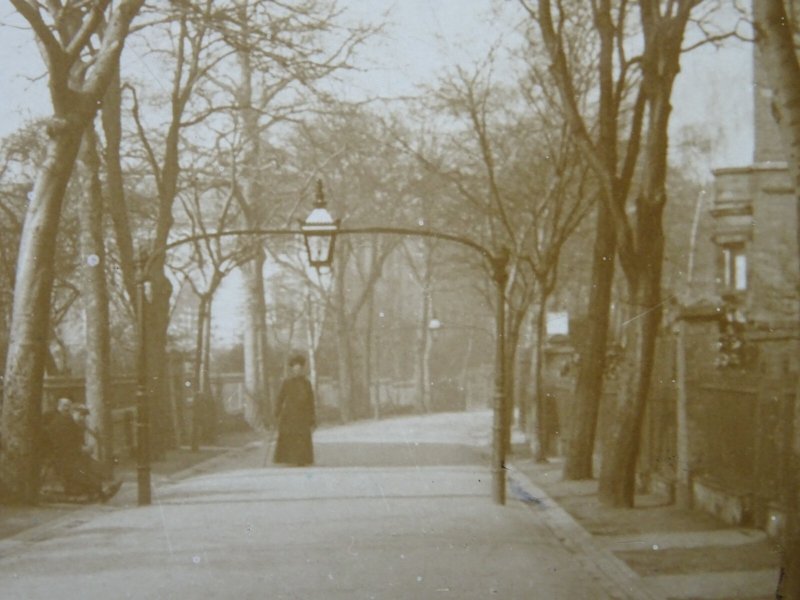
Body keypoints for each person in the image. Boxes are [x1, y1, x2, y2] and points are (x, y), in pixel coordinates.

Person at [45, 398, 121, 502]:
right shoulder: (63, 424)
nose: (82, 418)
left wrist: (83, 448)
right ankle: (98, 491)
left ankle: (100, 490)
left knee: (94, 466)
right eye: (80, 415)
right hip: (64, 459)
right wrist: (81, 449)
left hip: (73, 456)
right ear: (73, 412)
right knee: (86, 470)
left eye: (84, 416)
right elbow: (63, 445)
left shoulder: (72, 424)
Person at [272, 355, 316, 466]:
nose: (297, 371)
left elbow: (311, 401)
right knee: (290, 437)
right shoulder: (287, 382)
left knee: (302, 437)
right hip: (289, 415)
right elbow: (280, 398)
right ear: (292, 370)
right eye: (295, 369)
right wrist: (277, 412)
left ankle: (302, 460)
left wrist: (312, 418)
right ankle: (290, 459)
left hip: (303, 415)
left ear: (302, 370)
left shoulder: (307, 383)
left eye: (299, 369)